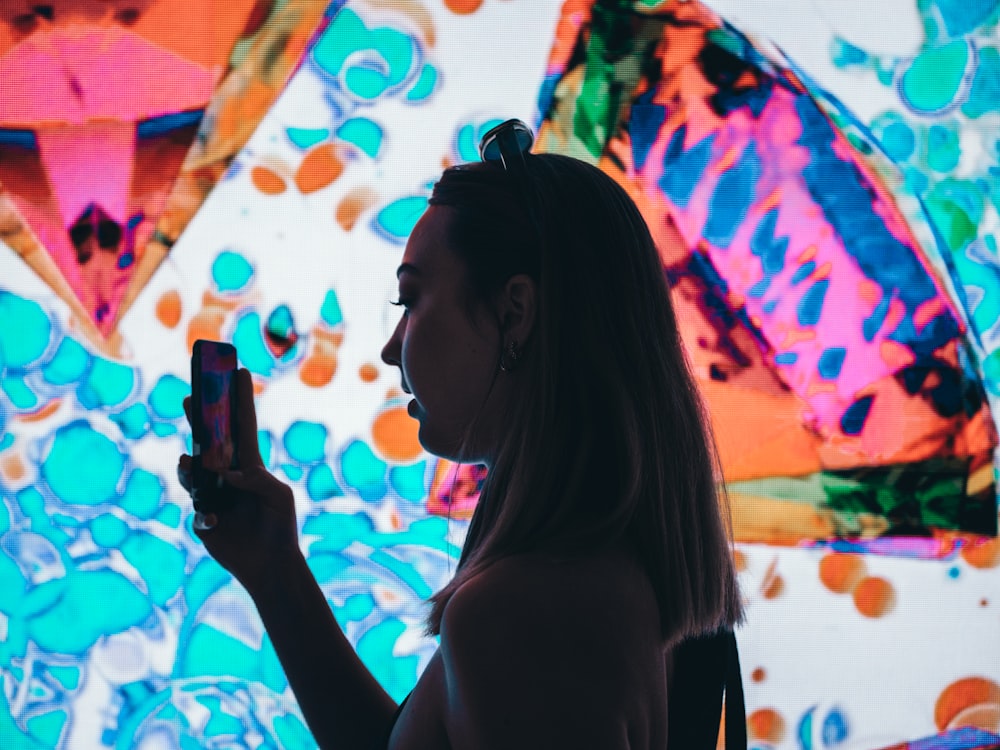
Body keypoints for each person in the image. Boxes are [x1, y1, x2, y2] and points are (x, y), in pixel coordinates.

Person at [178, 119, 746, 749]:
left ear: (514, 313)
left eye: (410, 301)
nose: (393, 349)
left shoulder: (516, 617)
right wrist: (274, 568)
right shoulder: (649, 581)